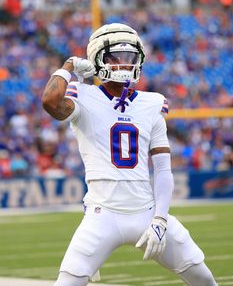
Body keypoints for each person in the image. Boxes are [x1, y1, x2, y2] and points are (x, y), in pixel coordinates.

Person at [42, 23, 218, 286]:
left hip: (146, 212)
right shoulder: (85, 96)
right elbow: (50, 101)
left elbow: (162, 169)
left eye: (131, 57)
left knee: (203, 276)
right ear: (98, 57)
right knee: (67, 282)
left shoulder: (152, 103)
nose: (124, 64)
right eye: (116, 57)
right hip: (102, 214)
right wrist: (69, 66)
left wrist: (160, 218)